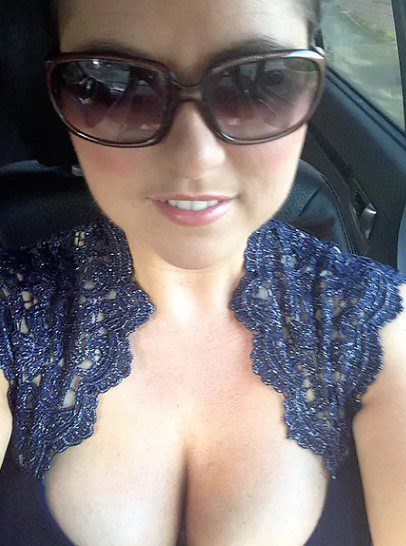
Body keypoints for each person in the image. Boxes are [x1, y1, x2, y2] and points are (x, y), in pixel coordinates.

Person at [0, 0, 405, 545]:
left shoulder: (387, 333)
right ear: (51, 97)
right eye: (114, 84)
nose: (196, 160)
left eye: (260, 80)